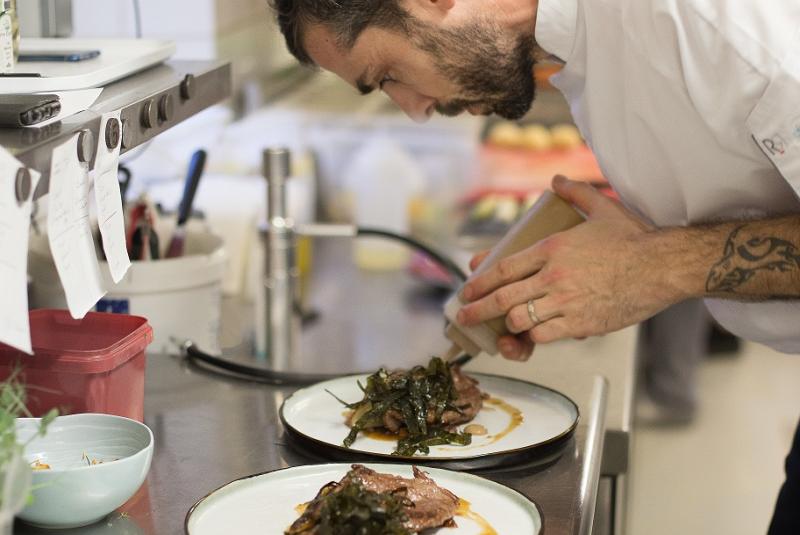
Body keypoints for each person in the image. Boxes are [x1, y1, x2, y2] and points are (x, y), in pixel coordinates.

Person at [268, 0, 800, 531]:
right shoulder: (588, 42)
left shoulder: (716, 28)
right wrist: (625, 245)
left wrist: (661, 266)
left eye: (388, 74)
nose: (414, 109)